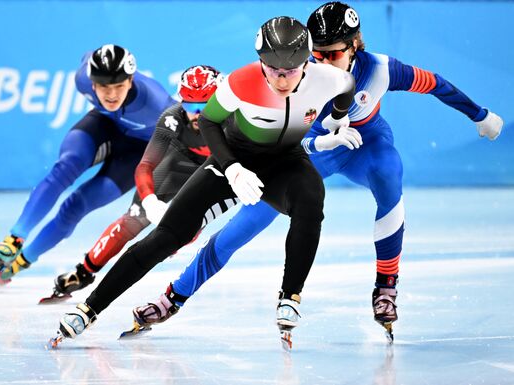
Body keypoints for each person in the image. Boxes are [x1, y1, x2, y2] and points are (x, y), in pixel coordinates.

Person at [129, 2, 504, 341]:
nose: (321, 62)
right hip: (307, 153)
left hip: (365, 145)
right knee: (241, 229)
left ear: (356, 46)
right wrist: (316, 144)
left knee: (390, 176)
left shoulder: (382, 70)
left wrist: (480, 115)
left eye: (332, 53)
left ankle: (386, 287)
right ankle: (173, 296)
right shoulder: (291, 78)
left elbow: (436, 84)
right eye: (316, 54)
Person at [53, 16, 359, 346]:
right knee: (165, 238)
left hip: (286, 162)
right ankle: (89, 309)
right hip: (234, 160)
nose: (282, 79)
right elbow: (210, 125)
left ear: (307, 62)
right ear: (260, 61)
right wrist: (232, 169)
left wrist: (337, 120)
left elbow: (347, 87)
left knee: (312, 202)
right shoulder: (241, 83)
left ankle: (290, 296)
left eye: (291, 70)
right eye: (272, 69)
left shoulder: (328, 78)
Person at [0, 44, 176, 286]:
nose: (112, 95)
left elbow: (185, 139)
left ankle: (20, 262)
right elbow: (88, 58)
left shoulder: (157, 104)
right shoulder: (81, 79)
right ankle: (14, 239)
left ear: (130, 81)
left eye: (119, 86)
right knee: (65, 168)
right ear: (92, 83)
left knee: (76, 206)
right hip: (103, 125)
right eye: (105, 87)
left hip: (137, 153)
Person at [45, 65, 238, 301]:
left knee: (181, 231)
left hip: (216, 167)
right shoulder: (172, 118)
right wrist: (149, 200)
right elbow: (145, 166)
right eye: (190, 105)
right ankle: (83, 272)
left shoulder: (238, 119)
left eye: (205, 105)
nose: (197, 114)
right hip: (177, 161)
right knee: (133, 220)